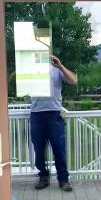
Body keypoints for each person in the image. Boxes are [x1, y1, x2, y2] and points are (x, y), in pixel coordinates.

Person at [30, 54, 77, 191]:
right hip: (37, 114)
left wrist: (60, 66)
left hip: (54, 114)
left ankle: (63, 180)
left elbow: (73, 80)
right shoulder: (30, 70)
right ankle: (43, 177)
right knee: (39, 149)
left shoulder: (57, 69)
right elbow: (14, 81)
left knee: (59, 148)